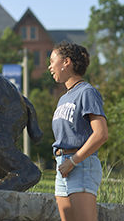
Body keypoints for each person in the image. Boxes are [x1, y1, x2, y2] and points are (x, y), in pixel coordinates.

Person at [48, 41, 108, 221]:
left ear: (66, 62)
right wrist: (65, 163)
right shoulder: (63, 98)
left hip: (80, 165)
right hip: (63, 166)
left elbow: (101, 134)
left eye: (52, 61)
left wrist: (73, 161)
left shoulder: (87, 92)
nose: (49, 67)